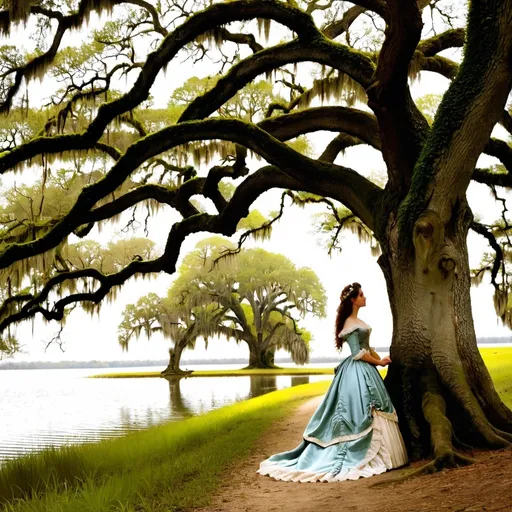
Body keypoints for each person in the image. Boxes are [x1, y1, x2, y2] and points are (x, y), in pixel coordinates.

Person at [258, 282, 408, 482]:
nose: (365, 297)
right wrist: (378, 362)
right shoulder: (348, 324)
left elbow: (367, 347)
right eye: (361, 295)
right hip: (356, 371)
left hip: (366, 369)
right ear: (353, 300)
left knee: (377, 409)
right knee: (360, 411)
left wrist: (381, 359)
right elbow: (357, 353)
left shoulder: (359, 321)